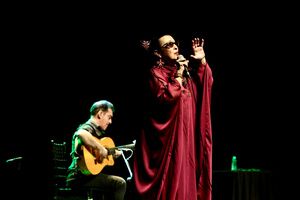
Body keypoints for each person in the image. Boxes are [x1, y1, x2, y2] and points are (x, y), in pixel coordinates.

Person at [133, 33, 214, 200]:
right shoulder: (155, 74)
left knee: (186, 176)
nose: (175, 47)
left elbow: (205, 83)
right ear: (158, 53)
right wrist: (178, 76)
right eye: (168, 45)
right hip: (169, 143)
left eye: (174, 43)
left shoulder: (186, 72)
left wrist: (202, 61)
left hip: (187, 140)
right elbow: (165, 99)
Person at [66, 100, 127, 200]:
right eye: (109, 117)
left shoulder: (96, 132)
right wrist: (100, 148)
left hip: (87, 177)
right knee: (120, 183)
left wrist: (110, 154)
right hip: (79, 178)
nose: (110, 122)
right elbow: (80, 133)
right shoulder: (88, 127)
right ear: (100, 114)